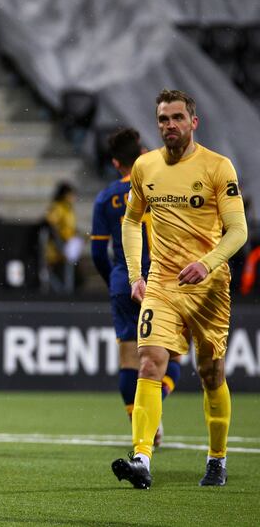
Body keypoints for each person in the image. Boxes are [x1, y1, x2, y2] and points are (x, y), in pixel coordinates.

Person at [112, 89, 247, 489]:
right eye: (162, 119)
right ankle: (141, 458)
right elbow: (132, 221)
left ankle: (217, 458)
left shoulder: (218, 167)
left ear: (193, 122)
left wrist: (206, 264)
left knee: (211, 372)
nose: (169, 125)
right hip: (161, 285)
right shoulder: (144, 166)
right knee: (150, 361)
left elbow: (238, 230)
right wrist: (137, 275)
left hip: (208, 287)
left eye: (176, 118)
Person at [90, 128, 181, 447]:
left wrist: (115, 278)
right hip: (166, 278)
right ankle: (150, 413)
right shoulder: (164, 187)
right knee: (173, 359)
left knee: (130, 358)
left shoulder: (106, 198)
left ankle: (139, 419)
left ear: (116, 163)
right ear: (143, 154)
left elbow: (98, 252)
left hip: (125, 282)